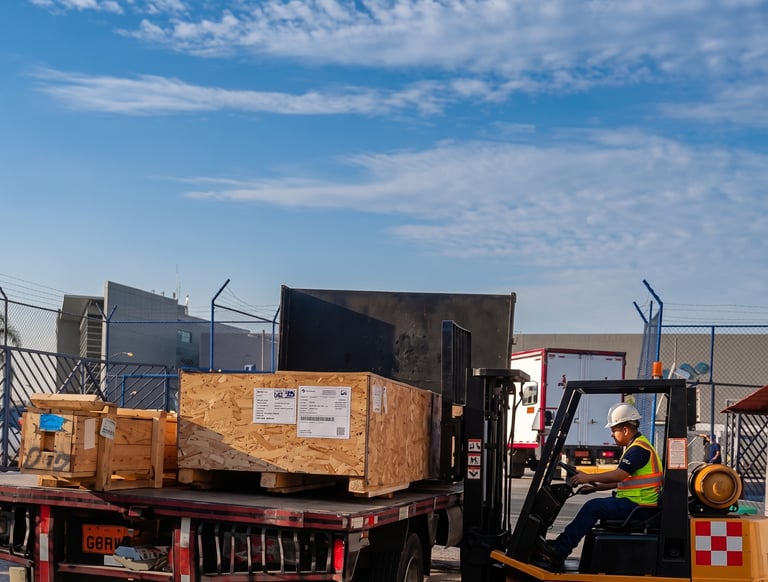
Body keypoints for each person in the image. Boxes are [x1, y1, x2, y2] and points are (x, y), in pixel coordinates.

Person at [534, 403, 662, 568]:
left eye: (613, 430)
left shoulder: (638, 449)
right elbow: (622, 480)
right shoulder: (636, 446)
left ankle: (559, 550)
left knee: (592, 508)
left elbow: (618, 475)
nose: (611, 435)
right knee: (593, 506)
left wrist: (587, 477)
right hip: (635, 503)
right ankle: (559, 546)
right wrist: (595, 487)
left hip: (639, 506)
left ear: (625, 430)